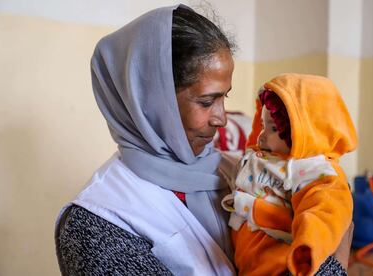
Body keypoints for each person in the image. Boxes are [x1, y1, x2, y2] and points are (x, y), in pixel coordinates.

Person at [55, 5, 352, 275]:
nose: (222, 118)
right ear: (152, 102)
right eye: (207, 102)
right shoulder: (98, 223)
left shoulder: (234, 171)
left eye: (225, 97)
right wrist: (334, 260)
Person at [222, 74, 357, 275]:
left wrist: (308, 246)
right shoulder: (263, 155)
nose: (262, 135)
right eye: (262, 124)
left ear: (305, 132)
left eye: (274, 128)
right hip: (246, 263)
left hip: (282, 266)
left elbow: (325, 212)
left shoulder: (317, 172)